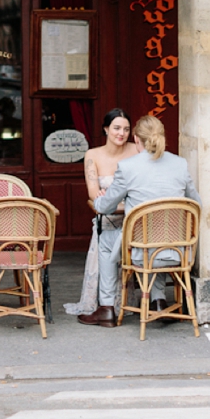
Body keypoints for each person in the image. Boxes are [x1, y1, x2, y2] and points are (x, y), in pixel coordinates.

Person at [81, 114, 201, 327]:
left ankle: (107, 307)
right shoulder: (180, 164)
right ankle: (158, 300)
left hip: (140, 253)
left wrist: (99, 202)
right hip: (178, 251)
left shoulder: (128, 167)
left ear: (136, 139)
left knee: (106, 240)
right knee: (160, 235)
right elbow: (196, 204)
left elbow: (105, 207)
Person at [63, 107, 138, 321]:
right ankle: (101, 305)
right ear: (106, 129)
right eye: (116, 128)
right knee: (103, 237)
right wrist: (126, 200)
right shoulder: (92, 155)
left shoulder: (136, 151)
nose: (121, 133)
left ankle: (123, 303)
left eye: (125, 129)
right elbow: (95, 197)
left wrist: (112, 200)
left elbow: (142, 190)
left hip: (133, 221)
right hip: (106, 221)